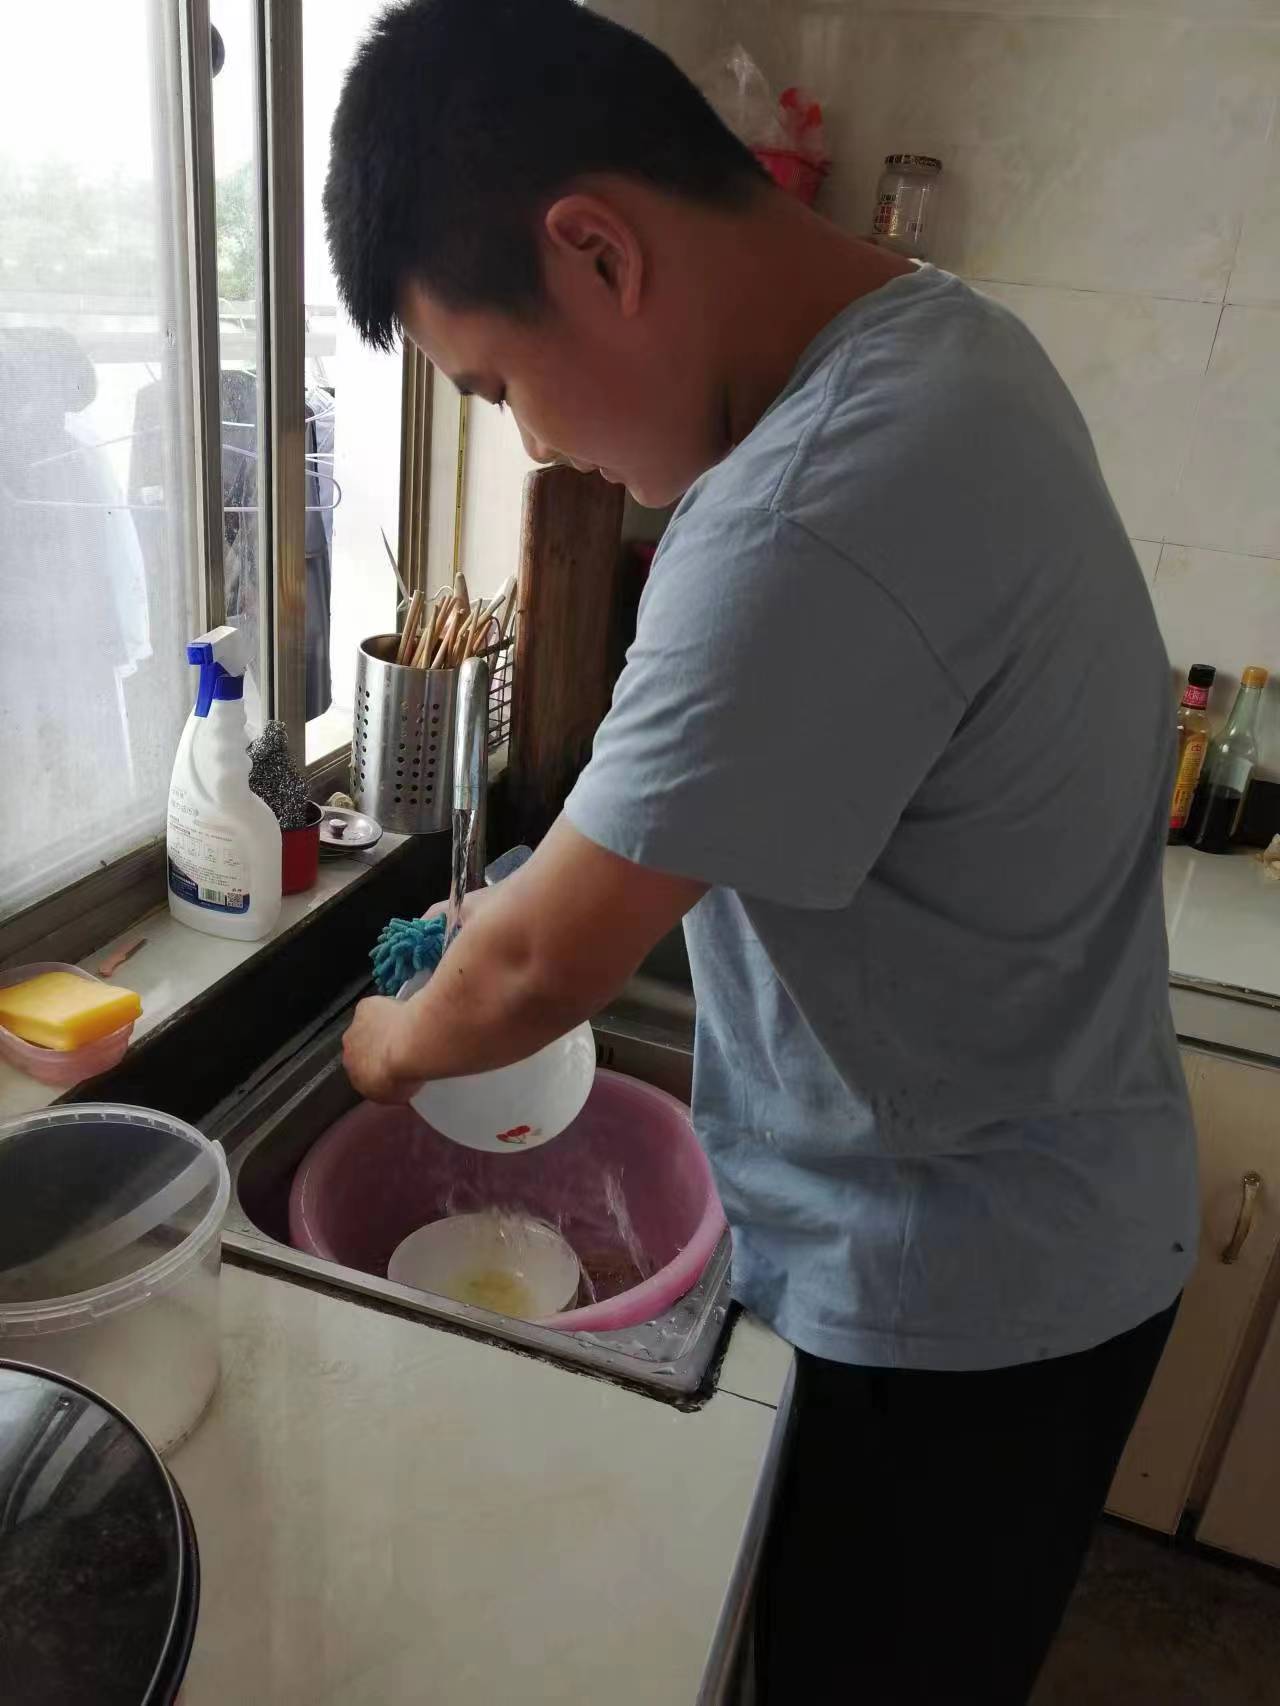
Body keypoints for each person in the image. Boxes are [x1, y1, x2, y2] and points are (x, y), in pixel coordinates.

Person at [325, 3, 1198, 1699]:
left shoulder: (806, 508)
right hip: (1052, 1219)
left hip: (962, 1304)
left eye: (497, 384)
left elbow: (539, 964)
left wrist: (384, 1047)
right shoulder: (946, 343)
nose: (535, 444)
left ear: (597, 251)